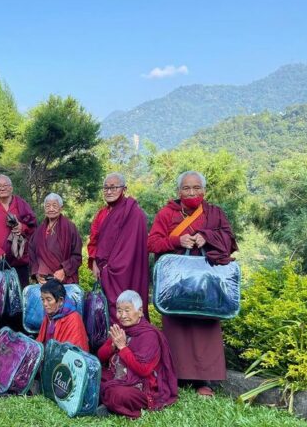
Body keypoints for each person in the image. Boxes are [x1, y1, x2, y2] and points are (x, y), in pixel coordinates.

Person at [148, 171, 237, 396]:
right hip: (176, 284)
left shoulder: (213, 213)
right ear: (178, 192)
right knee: (176, 326)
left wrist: (207, 237)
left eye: (196, 188)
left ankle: (204, 381)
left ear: (204, 191)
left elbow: (229, 239)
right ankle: (175, 376)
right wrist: (176, 240)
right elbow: (152, 243)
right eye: (186, 188)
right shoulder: (167, 213)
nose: (191, 192)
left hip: (207, 283)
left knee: (204, 326)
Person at [97, 290, 178, 418]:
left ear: (140, 311)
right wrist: (113, 346)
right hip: (117, 377)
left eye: (127, 310)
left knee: (118, 395)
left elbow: (143, 370)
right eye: (119, 310)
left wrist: (122, 347)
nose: (122, 315)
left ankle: (107, 402)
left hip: (140, 386)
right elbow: (100, 356)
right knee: (93, 377)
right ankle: (106, 402)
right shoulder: (121, 329)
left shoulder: (149, 335)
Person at [87, 172, 149, 323]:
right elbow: (94, 240)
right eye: (106, 188)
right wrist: (94, 260)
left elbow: (133, 246)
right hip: (104, 272)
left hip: (128, 271)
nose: (109, 191)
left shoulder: (134, 213)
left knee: (128, 307)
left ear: (124, 189)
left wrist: (112, 267)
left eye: (114, 187)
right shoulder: (102, 214)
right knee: (108, 310)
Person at [0, 174, 37, 285]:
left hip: (19, 262)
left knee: (18, 298)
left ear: (11, 188)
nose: (2, 188)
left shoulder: (22, 205)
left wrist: (22, 227)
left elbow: (34, 229)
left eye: (5, 185)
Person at [29, 193, 83, 284]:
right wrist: (36, 273)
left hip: (64, 279)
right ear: (44, 209)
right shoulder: (39, 231)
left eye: (54, 206)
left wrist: (64, 270)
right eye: (48, 206)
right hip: (44, 281)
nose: (51, 209)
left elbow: (77, 256)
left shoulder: (69, 227)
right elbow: (32, 254)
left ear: (61, 208)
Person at [36, 279, 88, 350]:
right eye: (43, 299)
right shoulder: (49, 315)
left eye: (48, 300)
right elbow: (40, 341)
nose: (45, 304)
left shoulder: (74, 319)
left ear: (60, 301)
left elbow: (76, 353)